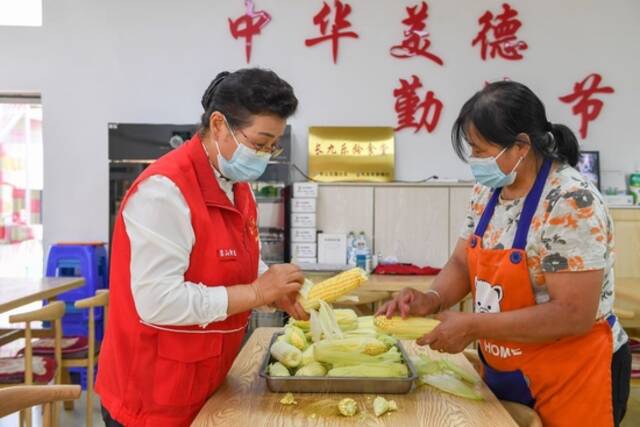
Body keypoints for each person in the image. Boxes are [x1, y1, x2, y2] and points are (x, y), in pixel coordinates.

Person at [378, 81, 631, 426]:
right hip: (508, 367)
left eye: (482, 151)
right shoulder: (488, 190)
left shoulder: (571, 201)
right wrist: (431, 299)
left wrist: (472, 325)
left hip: (574, 373)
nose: (476, 161)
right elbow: (461, 262)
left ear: (521, 145)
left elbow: (573, 314)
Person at [96, 68, 308, 426]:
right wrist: (257, 291)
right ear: (219, 124)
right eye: (259, 143)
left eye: (274, 146)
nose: (265, 155)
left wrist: (272, 289)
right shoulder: (165, 191)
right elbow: (158, 302)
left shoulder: (236, 185)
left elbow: (228, 258)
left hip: (205, 384)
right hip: (153, 396)